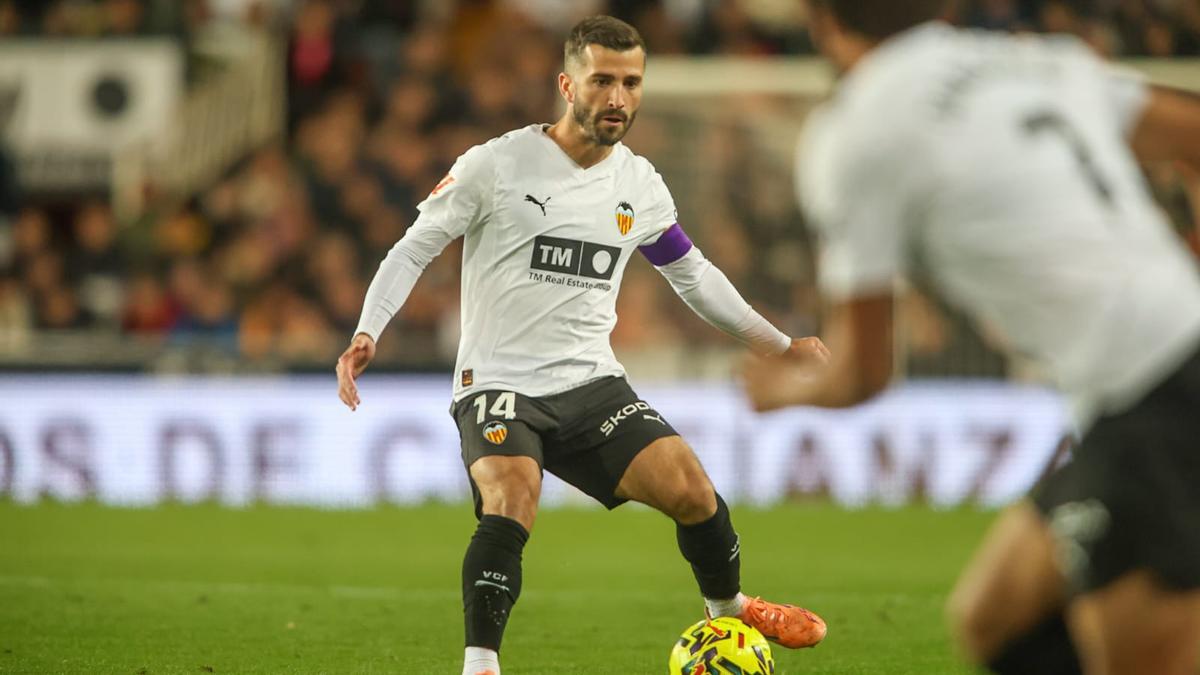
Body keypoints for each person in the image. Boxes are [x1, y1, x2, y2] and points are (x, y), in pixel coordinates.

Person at [336, 15, 830, 675]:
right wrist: (370, 326)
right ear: (568, 84)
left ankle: (730, 608)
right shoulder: (497, 164)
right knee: (513, 497)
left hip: (592, 384)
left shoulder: (639, 184)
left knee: (693, 490)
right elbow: (416, 244)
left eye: (631, 82)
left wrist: (781, 346)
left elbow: (693, 276)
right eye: (602, 80)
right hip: (499, 382)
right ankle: (480, 663)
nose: (618, 97)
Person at [741, 2, 1200, 674]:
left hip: (1153, 393)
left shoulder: (860, 132)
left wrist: (776, 388)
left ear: (822, 23)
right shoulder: (1038, 59)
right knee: (995, 616)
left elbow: (863, 374)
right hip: (1150, 378)